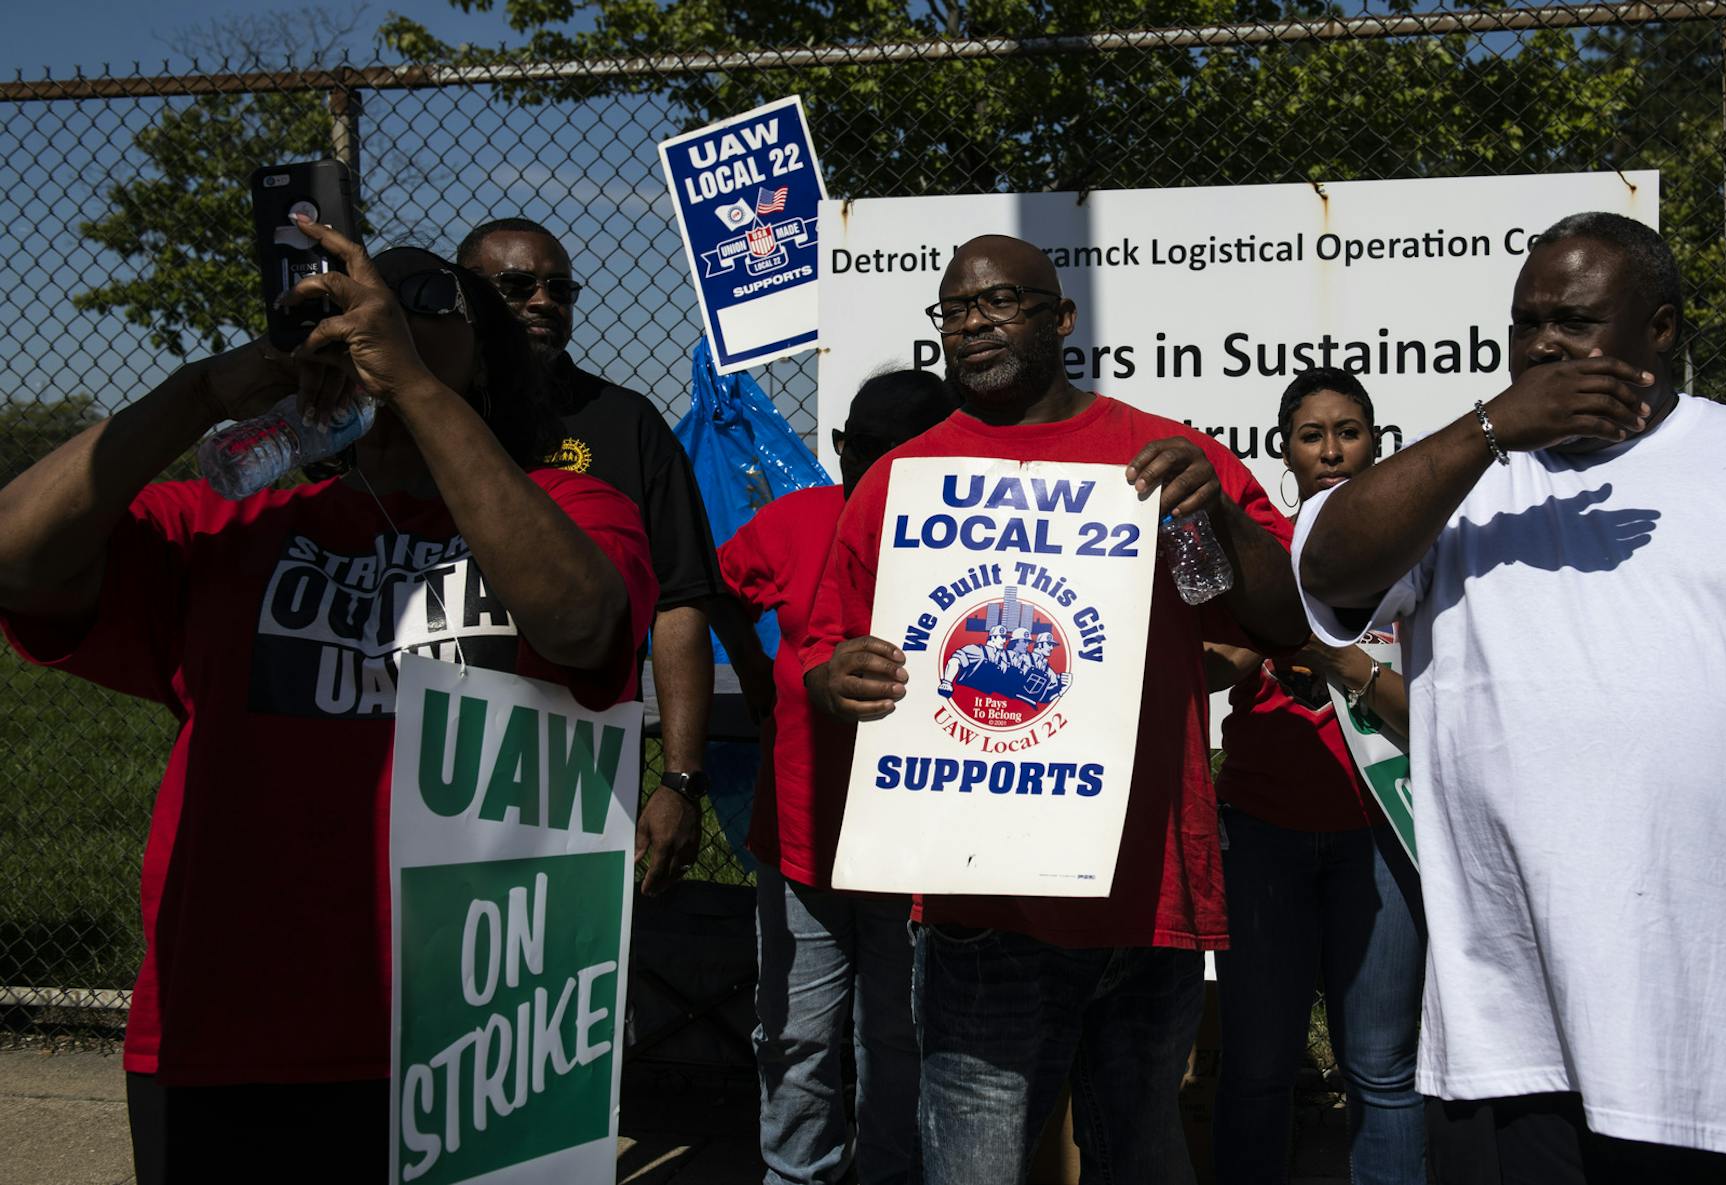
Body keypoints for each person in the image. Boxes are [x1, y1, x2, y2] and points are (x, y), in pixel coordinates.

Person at [1295, 211, 1726, 1185]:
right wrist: (1491, 431)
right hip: (1514, 1037)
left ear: (1659, 331)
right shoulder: (1468, 489)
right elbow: (1328, 569)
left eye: (1573, 321)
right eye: (1525, 322)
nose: (1543, 345)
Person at [0, 221, 657, 1182]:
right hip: (230, 1034)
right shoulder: (225, 524)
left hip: (477, 1048)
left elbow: (578, 621)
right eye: (355, 293)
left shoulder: (573, 507)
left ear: (484, 355)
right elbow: (17, 558)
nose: (374, 308)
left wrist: (416, 391)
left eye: (424, 298)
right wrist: (201, 395)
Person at [802, 235, 1307, 1185]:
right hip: (980, 909)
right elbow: (823, 654)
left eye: (1001, 303)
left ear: (1062, 318)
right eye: (955, 311)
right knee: (974, 1168)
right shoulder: (901, 480)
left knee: (1143, 1149)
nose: (974, 325)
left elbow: (1283, 616)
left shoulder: (1165, 460)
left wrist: (1224, 521)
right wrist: (837, 680)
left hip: (1148, 893)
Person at [716, 369, 958, 1185]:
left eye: (910, 456)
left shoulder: (965, 537)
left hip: (914, 853)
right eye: (871, 455)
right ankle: (798, 1174)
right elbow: (713, 592)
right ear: (842, 451)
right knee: (796, 1028)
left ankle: (891, 1172)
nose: (884, 474)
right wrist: (755, 676)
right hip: (802, 840)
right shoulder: (795, 522)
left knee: (899, 1031)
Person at [457, 216, 721, 895]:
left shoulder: (625, 423)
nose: (545, 301)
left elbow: (680, 601)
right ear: (464, 297)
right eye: (517, 286)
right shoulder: (424, 418)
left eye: (561, 289)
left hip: (580, 769)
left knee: (574, 975)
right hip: (437, 756)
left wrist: (681, 781)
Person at [1206, 367, 1423, 1185]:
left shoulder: (1422, 551)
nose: (1332, 450)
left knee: (1382, 1069)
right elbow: (1222, 661)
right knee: (1260, 1067)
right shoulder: (1261, 552)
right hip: (1262, 830)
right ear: (1284, 451)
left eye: (1350, 431)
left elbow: (1439, 717)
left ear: (1378, 443)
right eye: (1311, 435)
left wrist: (1335, 661)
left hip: (1383, 831)